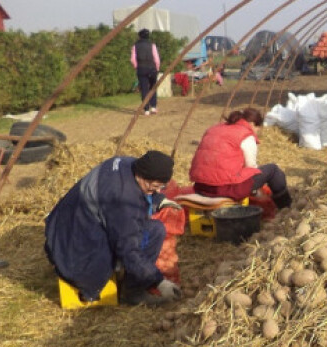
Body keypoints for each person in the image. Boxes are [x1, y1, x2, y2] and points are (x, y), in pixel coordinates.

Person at [44, 151, 182, 305]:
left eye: (161, 187)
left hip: (65, 229)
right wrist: (158, 281)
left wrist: (158, 200)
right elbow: (128, 249)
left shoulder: (126, 163)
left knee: (152, 229)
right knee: (154, 232)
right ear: (143, 176)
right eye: (156, 186)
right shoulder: (122, 201)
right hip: (76, 251)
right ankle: (133, 294)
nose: (157, 190)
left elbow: (142, 196)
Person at [190, 107, 293, 208]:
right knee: (273, 170)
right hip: (225, 189)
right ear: (252, 124)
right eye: (258, 128)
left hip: (201, 187)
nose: (257, 132)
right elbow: (251, 167)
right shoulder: (246, 135)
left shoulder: (214, 128)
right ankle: (286, 207)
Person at [131, 29, 160, 116]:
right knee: (153, 88)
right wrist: (157, 68)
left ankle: (146, 109)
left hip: (141, 69)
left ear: (139, 36)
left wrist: (137, 66)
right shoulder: (152, 45)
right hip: (152, 69)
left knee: (144, 89)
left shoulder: (135, 46)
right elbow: (156, 58)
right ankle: (153, 107)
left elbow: (133, 59)